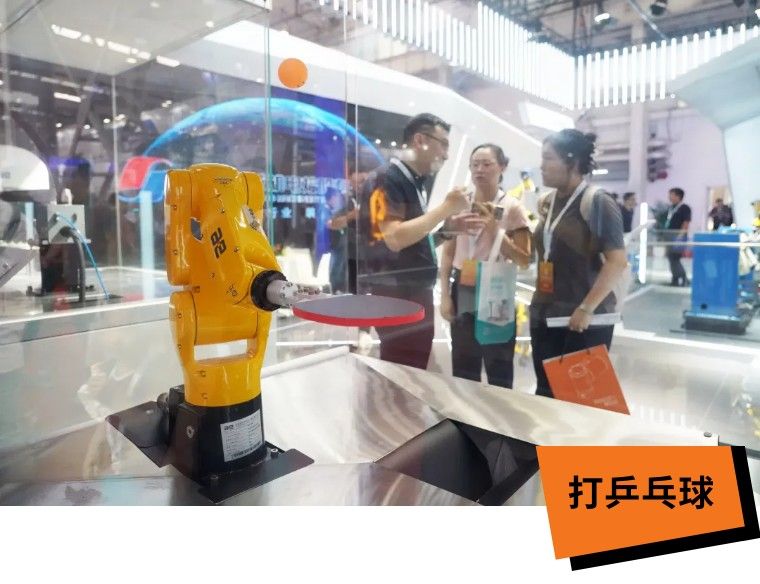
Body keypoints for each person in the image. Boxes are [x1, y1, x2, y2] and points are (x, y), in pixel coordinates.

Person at [357, 113, 469, 369]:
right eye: (443, 144)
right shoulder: (388, 178)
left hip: (409, 293)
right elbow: (394, 238)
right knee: (402, 371)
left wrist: (446, 231)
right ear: (420, 140)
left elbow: (411, 243)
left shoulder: (411, 181)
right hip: (399, 295)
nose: (446, 155)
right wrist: (446, 208)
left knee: (410, 368)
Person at [529, 129, 628, 398]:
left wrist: (586, 308)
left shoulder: (598, 202)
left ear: (571, 162)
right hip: (546, 314)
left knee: (580, 400)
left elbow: (617, 261)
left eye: (548, 158)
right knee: (546, 393)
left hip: (583, 320)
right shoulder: (548, 202)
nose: (542, 165)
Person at [439, 144, 532, 389]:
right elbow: (447, 253)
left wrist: (495, 231)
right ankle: (466, 411)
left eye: (487, 164)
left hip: (497, 287)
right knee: (463, 363)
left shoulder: (513, 207)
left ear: (502, 167)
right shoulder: (459, 204)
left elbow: (524, 259)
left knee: (498, 363)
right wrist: (445, 296)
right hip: (464, 284)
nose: (479, 170)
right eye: (475, 164)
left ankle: (498, 412)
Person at [324, 187, 351, 293]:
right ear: (332, 198)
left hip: (338, 244)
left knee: (339, 266)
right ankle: (335, 288)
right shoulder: (325, 211)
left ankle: (338, 288)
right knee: (336, 267)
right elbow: (329, 225)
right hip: (333, 244)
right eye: (337, 197)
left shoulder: (334, 211)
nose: (338, 200)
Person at [665, 187, 691, 286]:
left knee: (675, 258)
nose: (669, 197)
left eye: (671, 195)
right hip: (669, 236)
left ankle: (683, 278)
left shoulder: (685, 208)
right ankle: (675, 279)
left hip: (679, 237)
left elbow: (686, 223)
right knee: (671, 258)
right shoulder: (671, 208)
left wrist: (680, 236)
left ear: (678, 196)